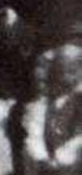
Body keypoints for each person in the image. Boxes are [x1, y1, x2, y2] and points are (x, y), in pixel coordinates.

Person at [22, 28, 81, 175]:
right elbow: (35, 130)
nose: (65, 75)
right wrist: (43, 158)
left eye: (73, 70)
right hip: (49, 165)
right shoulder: (46, 102)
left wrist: (61, 158)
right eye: (60, 69)